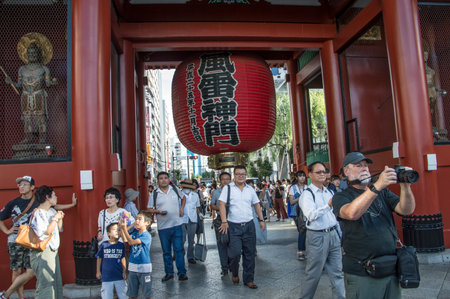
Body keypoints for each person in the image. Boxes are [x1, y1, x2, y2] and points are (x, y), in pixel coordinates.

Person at [332, 152, 416, 299]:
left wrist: (405, 187)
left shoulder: (383, 193)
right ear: (347, 171)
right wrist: (377, 186)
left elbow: (406, 209)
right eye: (358, 166)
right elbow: (352, 213)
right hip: (362, 271)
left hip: (390, 267)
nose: (364, 169)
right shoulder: (341, 196)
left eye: (366, 166)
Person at [0, 176, 76, 299]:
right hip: (18, 240)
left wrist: (71, 205)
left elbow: (55, 208)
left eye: (25, 184)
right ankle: (18, 296)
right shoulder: (14, 203)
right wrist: (7, 231)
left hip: (38, 243)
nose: (21, 187)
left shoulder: (39, 202)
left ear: (32, 187)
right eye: (20, 184)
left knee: (32, 272)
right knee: (17, 270)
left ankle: (9, 294)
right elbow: (1, 218)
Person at [299, 161, 345, 299]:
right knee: (313, 274)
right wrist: (328, 205)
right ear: (310, 174)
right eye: (318, 172)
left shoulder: (328, 191)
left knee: (338, 272)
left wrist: (340, 236)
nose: (322, 174)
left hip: (333, 234)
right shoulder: (307, 194)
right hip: (317, 237)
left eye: (324, 172)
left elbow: (334, 216)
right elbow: (311, 215)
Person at [218, 165, 265, 289]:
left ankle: (248, 279)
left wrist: (261, 220)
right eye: (238, 174)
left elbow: (256, 205)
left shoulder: (250, 189)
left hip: (249, 225)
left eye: (243, 174)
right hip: (233, 226)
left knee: (249, 254)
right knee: (234, 254)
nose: (241, 176)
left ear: (246, 175)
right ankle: (234, 272)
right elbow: (221, 204)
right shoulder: (227, 189)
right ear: (234, 175)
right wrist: (224, 221)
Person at [5, 35, 58, 144]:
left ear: (39, 54)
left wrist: (53, 82)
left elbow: (47, 84)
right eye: (30, 53)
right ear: (26, 55)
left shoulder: (44, 69)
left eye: (34, 53)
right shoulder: (22, 69)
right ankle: (28, 138)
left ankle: (42, 139)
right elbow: (19, 85)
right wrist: (11, 82)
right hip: (25, 95)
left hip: (38, 95)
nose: (32, 55)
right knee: (27, 117)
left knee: (40, 117)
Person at [146, 171, 187, 282]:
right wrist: (157, 211)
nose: (163, 180)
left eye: (165, 178)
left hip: (177, 225)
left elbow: (184, 198)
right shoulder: (154, 193)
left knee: (179, 250)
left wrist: (182, 208)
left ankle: (182, 273)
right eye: (161, 178)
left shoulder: (174, 189)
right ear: (157, 181)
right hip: (163, 228)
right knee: (166, 252)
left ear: (169, 179)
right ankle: (169, 273)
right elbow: (149, 208)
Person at [29, 185, 65, 299]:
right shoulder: (38, 213)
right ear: (47, 197)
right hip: (42, 252)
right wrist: (55, 219)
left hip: (53, 251)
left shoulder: (51, 211)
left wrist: (60, 218)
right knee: (46, 284)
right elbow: (45, 233)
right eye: (54, 195)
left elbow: (58, 229)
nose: (56, 197)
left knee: (55, 282)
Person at [119, 211, 153, 299]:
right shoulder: (134, 234)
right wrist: (122, 228)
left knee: (147, 294)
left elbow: (131, 242)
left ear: (147, 223)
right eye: (136, 219)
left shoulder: (146, 235)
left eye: (139, 219)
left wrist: (125, 229)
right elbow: (124, 239)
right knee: (132, 294)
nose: (137, 221)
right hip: (133, 267)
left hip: (144, 268)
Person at [96, 223, 127, 299]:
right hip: (106, 276)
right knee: (107, 295)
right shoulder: (104, 245)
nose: (117, 231)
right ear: (108, 233)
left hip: (119, 275)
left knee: (124, 295)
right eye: (114, 230)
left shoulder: (121, 245)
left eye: (119, 230)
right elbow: (99, 258)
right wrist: (98, 271)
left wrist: (124, 271)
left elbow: (123, 258)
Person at [210, 172, 232, 275]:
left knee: (232, 243)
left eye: (227, 179)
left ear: (230, 180)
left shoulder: (234, 191)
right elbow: (212, 205)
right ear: (220, 180)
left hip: (233, 220)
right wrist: (221, 208)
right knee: (221, 243)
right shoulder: (216, 192)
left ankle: (232, 265)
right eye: (223, 179)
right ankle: (224, 267)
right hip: (220, 219)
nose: (225, 181)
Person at [179, 179, 200, 265]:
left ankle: (190, 256)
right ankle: (179, 254)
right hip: (181, 219)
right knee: (182, 239)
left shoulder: (195, 195)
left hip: (192, 218)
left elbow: (197, 207)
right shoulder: (179, 194)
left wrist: (200, 215)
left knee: (191, 240)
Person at [289, 170, 307, 260]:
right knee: (302, 230)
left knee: (306, 231)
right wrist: (301, 197)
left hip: (306, 212)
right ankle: (300, 251)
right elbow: (291, 202)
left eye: (303, 176)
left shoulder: (307, 187)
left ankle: (305, 250)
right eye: (300, 176)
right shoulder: (293, 188)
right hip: (296, 213)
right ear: (296, 177)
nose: (302, 178)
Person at [192, 179, 205, 244]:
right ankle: (192, 239)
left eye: (195, 184)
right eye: (193, 184)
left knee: (199, 227)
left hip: (198, 210)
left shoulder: (199, 192)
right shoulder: (189, 193)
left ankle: (198, 241)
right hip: (192, 211)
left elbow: (202, 201)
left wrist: (199, 200)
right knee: (192, 226)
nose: (194, 186)